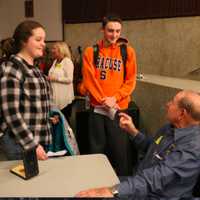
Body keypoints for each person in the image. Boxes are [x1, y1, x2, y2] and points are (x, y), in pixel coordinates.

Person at [76, 90, 200, 199]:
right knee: (86, 186)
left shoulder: (193, 147)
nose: (167, 104)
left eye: (172, 102)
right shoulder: (170, 128)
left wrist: (111, 191)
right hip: (140, 184)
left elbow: (155, 179)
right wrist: (132, 131)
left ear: (182, 114)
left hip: (153, 194)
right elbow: (151, 148)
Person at [81, 14, 137, 176]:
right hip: (97, 108)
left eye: (118, 31)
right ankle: (96, 179)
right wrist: (102, 100)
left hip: (119, 107)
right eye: (110, 30)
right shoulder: (91, 51)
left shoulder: (128, 51)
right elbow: (89, 80)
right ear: (102, 30)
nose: (114, 35)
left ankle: (123, 183)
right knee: (96, 147)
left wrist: (115, 98)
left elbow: (130, 80)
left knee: (120, 148)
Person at [0, 20, 57, 160]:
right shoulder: (13, 69)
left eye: (44, 39)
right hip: (19, 143)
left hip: (37, 139)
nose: (43, 43)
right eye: (38, 39)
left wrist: (48, 117)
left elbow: (32, 104)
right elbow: (11, 113)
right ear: (24, 41)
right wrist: (32, 144)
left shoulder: (34, 69)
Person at [48, 42, 74, 123]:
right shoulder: (55, 61)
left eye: (54, 48)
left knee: (64, 122)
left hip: (64, 99)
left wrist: (55, 78)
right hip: (55, 97)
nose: (52, 50)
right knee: (57, 123)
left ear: (61, 50)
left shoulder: (67, 61)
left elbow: (69, 79)